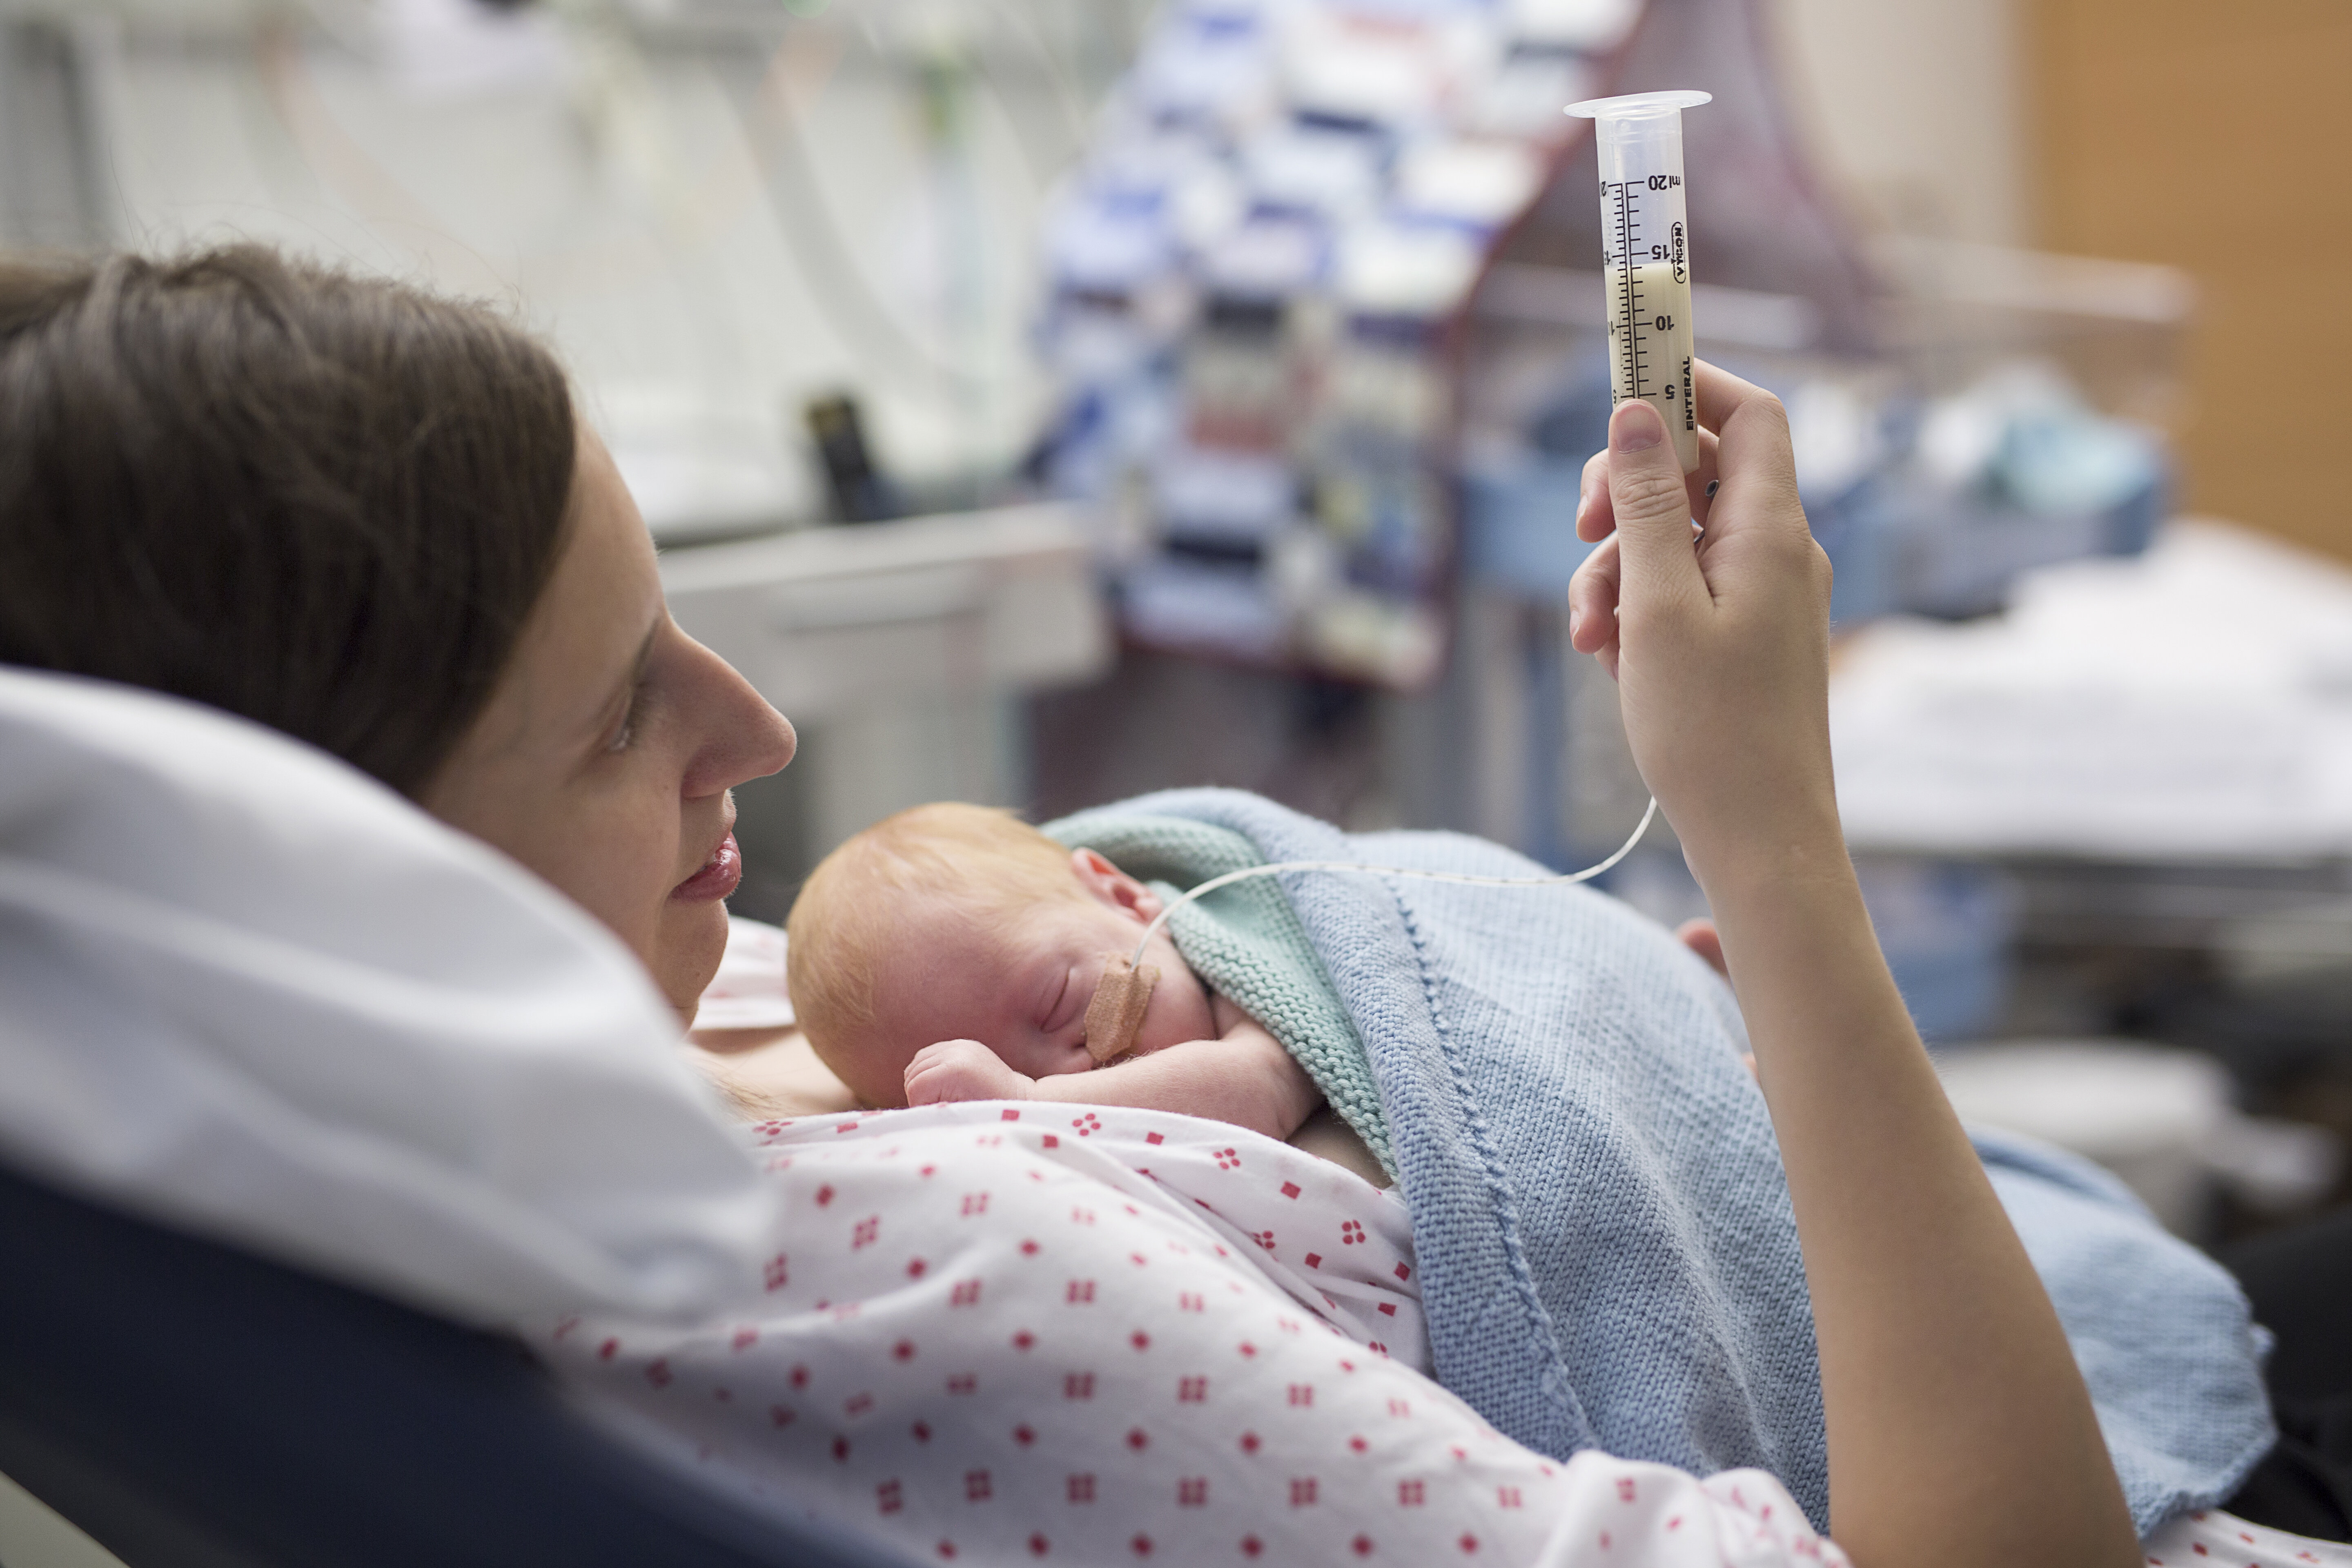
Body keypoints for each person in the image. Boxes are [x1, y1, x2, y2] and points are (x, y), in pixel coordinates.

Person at [0, 243, 2216, 1567]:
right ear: (350, 855)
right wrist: (1776, 842)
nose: (758, 736)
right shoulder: (926, 1272)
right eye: (612, 718)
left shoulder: (664, 1009)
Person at [782, 802, 1324, 1142]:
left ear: (1124, 897)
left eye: (1059, 1005)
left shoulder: (1251, 959)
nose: (1072, 1081)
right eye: (1016, 1073)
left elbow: (1261, 1088)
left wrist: (1028, 1103)